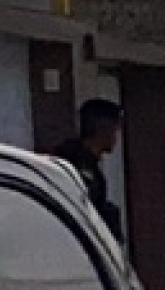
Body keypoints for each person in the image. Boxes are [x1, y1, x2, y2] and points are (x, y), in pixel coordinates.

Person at [53, 99, 124, 235]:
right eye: (115, 129)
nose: (116, 137)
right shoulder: (75, 165)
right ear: (103, 128)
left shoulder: (87, 164)